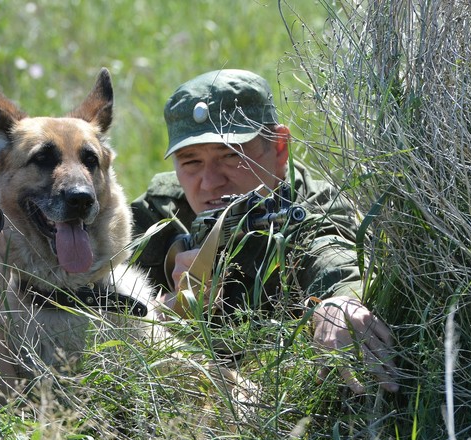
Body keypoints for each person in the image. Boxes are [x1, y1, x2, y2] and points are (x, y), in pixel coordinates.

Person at [130, 69, 399, 394]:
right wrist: (169, 311)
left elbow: (331, 251)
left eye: (231, 156)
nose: (210, 182)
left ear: (280, 149)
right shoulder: (161, 212)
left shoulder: (312, 206)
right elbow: (95, 304)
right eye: (191, 163)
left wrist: (338, 304)